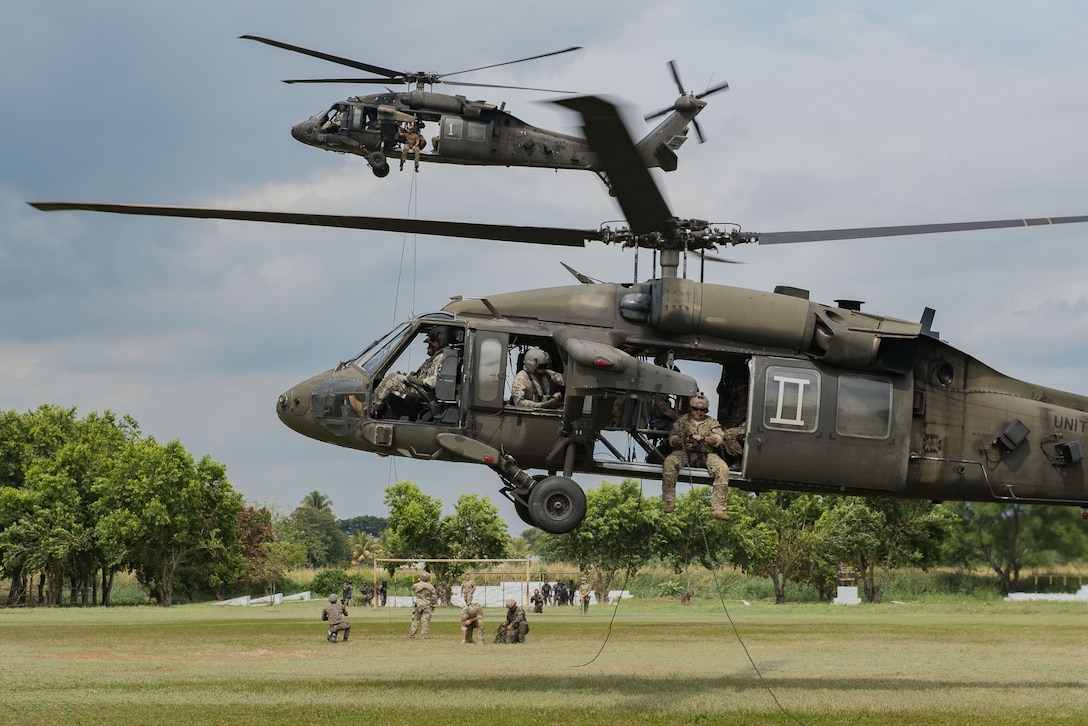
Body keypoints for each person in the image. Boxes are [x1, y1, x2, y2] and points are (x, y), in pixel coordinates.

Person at [662, 394, 731, 520]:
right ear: (691, 408)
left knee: (723, 469)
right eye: (695, 409)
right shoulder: (682, 421)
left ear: (706, 410)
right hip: (685, 452)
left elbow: (718, 439)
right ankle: (669, 501)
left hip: (706, 454)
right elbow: (672, 438)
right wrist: (685, 440)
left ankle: (718, 508)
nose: (698, 412)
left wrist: (704, 438)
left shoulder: (712, 422)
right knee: (670, 461)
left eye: (702, 410)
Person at [369, 329, 449, 417]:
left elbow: (434, 381)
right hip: (421, 388)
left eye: (430, 344)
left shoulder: (441, 358)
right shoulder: (435, 358)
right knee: (391, 382)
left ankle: (371, 410)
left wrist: (413, 380)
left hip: (424, 390)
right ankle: (381, 410)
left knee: (392, 379)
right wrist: (409, 377)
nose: (428, 348)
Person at [408, 571, 438, 639]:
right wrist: (433, 606)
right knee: (425, 620)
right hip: (427, 604)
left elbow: (412, 588)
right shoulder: (431, 586)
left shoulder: (416, 585)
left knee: (415, 619)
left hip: (418, 604)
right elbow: (434, 597)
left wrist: (419, 581)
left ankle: (412, 634)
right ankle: (424, 635)